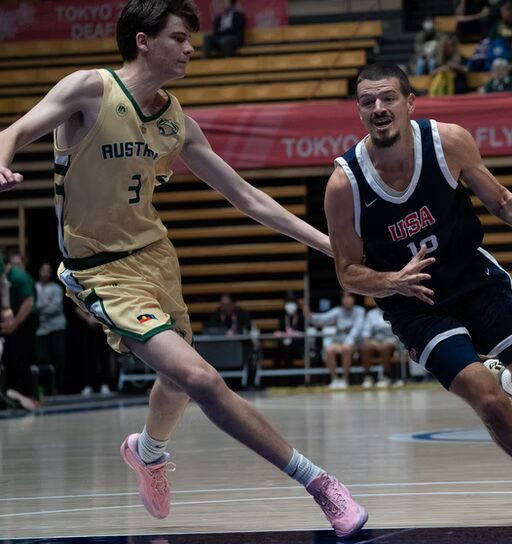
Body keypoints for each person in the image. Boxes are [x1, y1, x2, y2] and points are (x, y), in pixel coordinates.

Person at [0, 1, 367, 537]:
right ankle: (321, 485)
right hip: (101, 272)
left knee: (174, 384)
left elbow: (249, 198)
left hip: (157, 260)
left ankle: (147, 453)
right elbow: (12, 131)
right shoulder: (89, 89)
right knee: (200, 377)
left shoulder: (178, 122)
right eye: (179, 37)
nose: (191, 47)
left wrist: (330, 247)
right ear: (144, 41)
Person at [324, 63, 512, 530]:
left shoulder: (448, 142)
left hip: (471, 275)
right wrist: (391, 282)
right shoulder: (344, 184)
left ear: (410, 103)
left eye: (388, 98)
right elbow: (347, 272)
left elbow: (504, 203)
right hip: (415, 302)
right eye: (368, 101)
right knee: (486, 401)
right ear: (359, 111)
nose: (378, 108)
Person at [0, 251, 39, 411]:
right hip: (15, 321)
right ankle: (13, 393)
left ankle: (27, 395)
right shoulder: (9, 276)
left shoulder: (17, 276)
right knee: (11, 359)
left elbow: (29, 302)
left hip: (26, 320)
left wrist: (14, 323)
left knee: (20, 358)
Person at [310, 291, 365, 389]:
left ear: (354, 299)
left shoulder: (360, 311)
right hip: (339, 342)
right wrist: (311, 316)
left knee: (346, 349)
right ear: (341, 300)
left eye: (349, 297)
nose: (347, 300)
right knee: (329, 349)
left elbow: (356, 330)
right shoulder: (338, 311)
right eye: (344, 298)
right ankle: (334, 379)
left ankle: (345, 379)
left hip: (355, 343)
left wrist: (347, 343)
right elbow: (323, 319)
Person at [34, 262, 67, 394]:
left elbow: (56, 307)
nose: (45, 273)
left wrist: (40, 308)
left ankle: (59, 388)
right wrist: (42, 307)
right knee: (42, 358)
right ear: (39, 272)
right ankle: (45, 388)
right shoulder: (34, 286)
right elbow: (32, 305)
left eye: (48, 271)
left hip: (56, 327)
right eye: (43, 270)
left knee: (59, 357)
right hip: (41, 329)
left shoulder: (56, 288)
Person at [360, 305, 401, 388]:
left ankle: (386, 377)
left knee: (384, 347)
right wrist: (369, 341)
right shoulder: (371, 314)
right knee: (365, 347)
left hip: (391, 340)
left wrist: (385, 342)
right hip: (375, 341)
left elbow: (398, 331)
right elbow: (366, 332)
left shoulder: (393, 310)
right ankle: (368, 377)